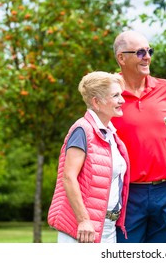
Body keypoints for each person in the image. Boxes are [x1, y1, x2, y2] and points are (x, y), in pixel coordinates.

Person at [111, 30, 166, 243]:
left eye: (149, 51)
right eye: (139, 52)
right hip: (128, 193)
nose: (147, 57)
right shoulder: (108, 93)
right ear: (121, 58)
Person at [47, 71, 130, 243]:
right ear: (96, 102)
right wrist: (83, 220)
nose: (122, 100)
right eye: (115, 96)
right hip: (84, 229)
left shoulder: (110, 135)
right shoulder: (82, 130)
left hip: (107, 226)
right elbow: (68, 177)